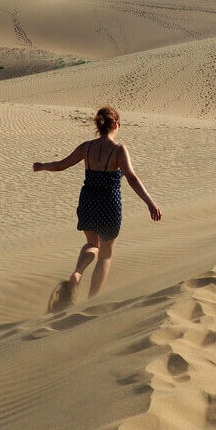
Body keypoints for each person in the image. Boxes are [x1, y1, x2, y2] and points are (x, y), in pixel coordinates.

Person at [33, 106, 161, 309]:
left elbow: (61, 165)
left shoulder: (87, 147)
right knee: (106, 255)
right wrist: (150, 202)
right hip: (109, 204)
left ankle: (77, 273)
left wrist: (42, 166)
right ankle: (92, 301)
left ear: (98, 124)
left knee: (92, 244)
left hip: (88, 201)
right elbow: (132, 178)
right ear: (116, 124)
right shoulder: (119, 149)